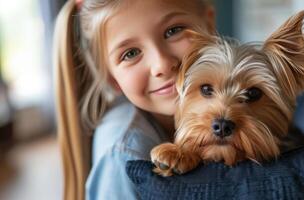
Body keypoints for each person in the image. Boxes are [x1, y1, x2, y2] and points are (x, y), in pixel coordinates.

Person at [53, 0, 215, 200]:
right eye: (130, 54)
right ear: (112, 79)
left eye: (174, 31)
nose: (161, 65)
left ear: (210, 25)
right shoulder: (124, 156)